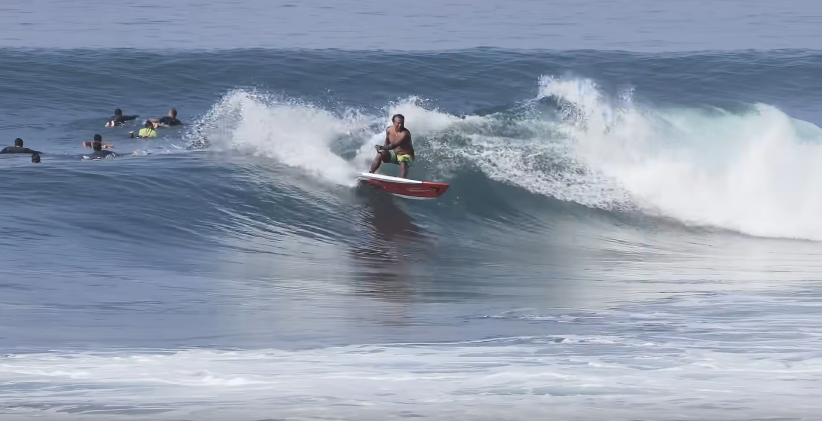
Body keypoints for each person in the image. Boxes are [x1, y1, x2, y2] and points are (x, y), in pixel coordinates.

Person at [369, 114, 414, 178]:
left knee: (403, 161)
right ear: (393, 122)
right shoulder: (389, 130)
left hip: (406, 155)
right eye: (398, 123)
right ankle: (370, 174)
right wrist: (383, 152)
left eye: (402, 123)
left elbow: (394, 145)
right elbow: (387, 142)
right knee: (380, 154)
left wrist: (381, 147)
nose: (400, 125)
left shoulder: (405, 133)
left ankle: (403, 180)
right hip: (395, 154)